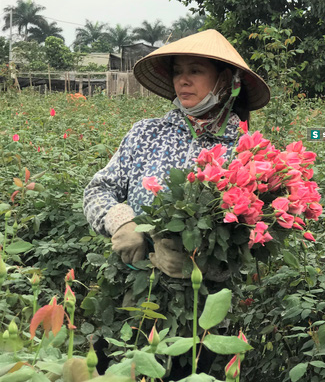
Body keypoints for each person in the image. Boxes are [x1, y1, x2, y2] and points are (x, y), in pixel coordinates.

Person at [83, 29, 270, 277]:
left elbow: (258, 231)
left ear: (224, 79)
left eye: (195, 70)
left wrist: (202, 263)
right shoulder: (146, 134)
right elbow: (98, 190)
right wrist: (122, 223)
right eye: (177, 71)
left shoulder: (245, 150)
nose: (183, 80)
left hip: (208, 299)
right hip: (135, 282)